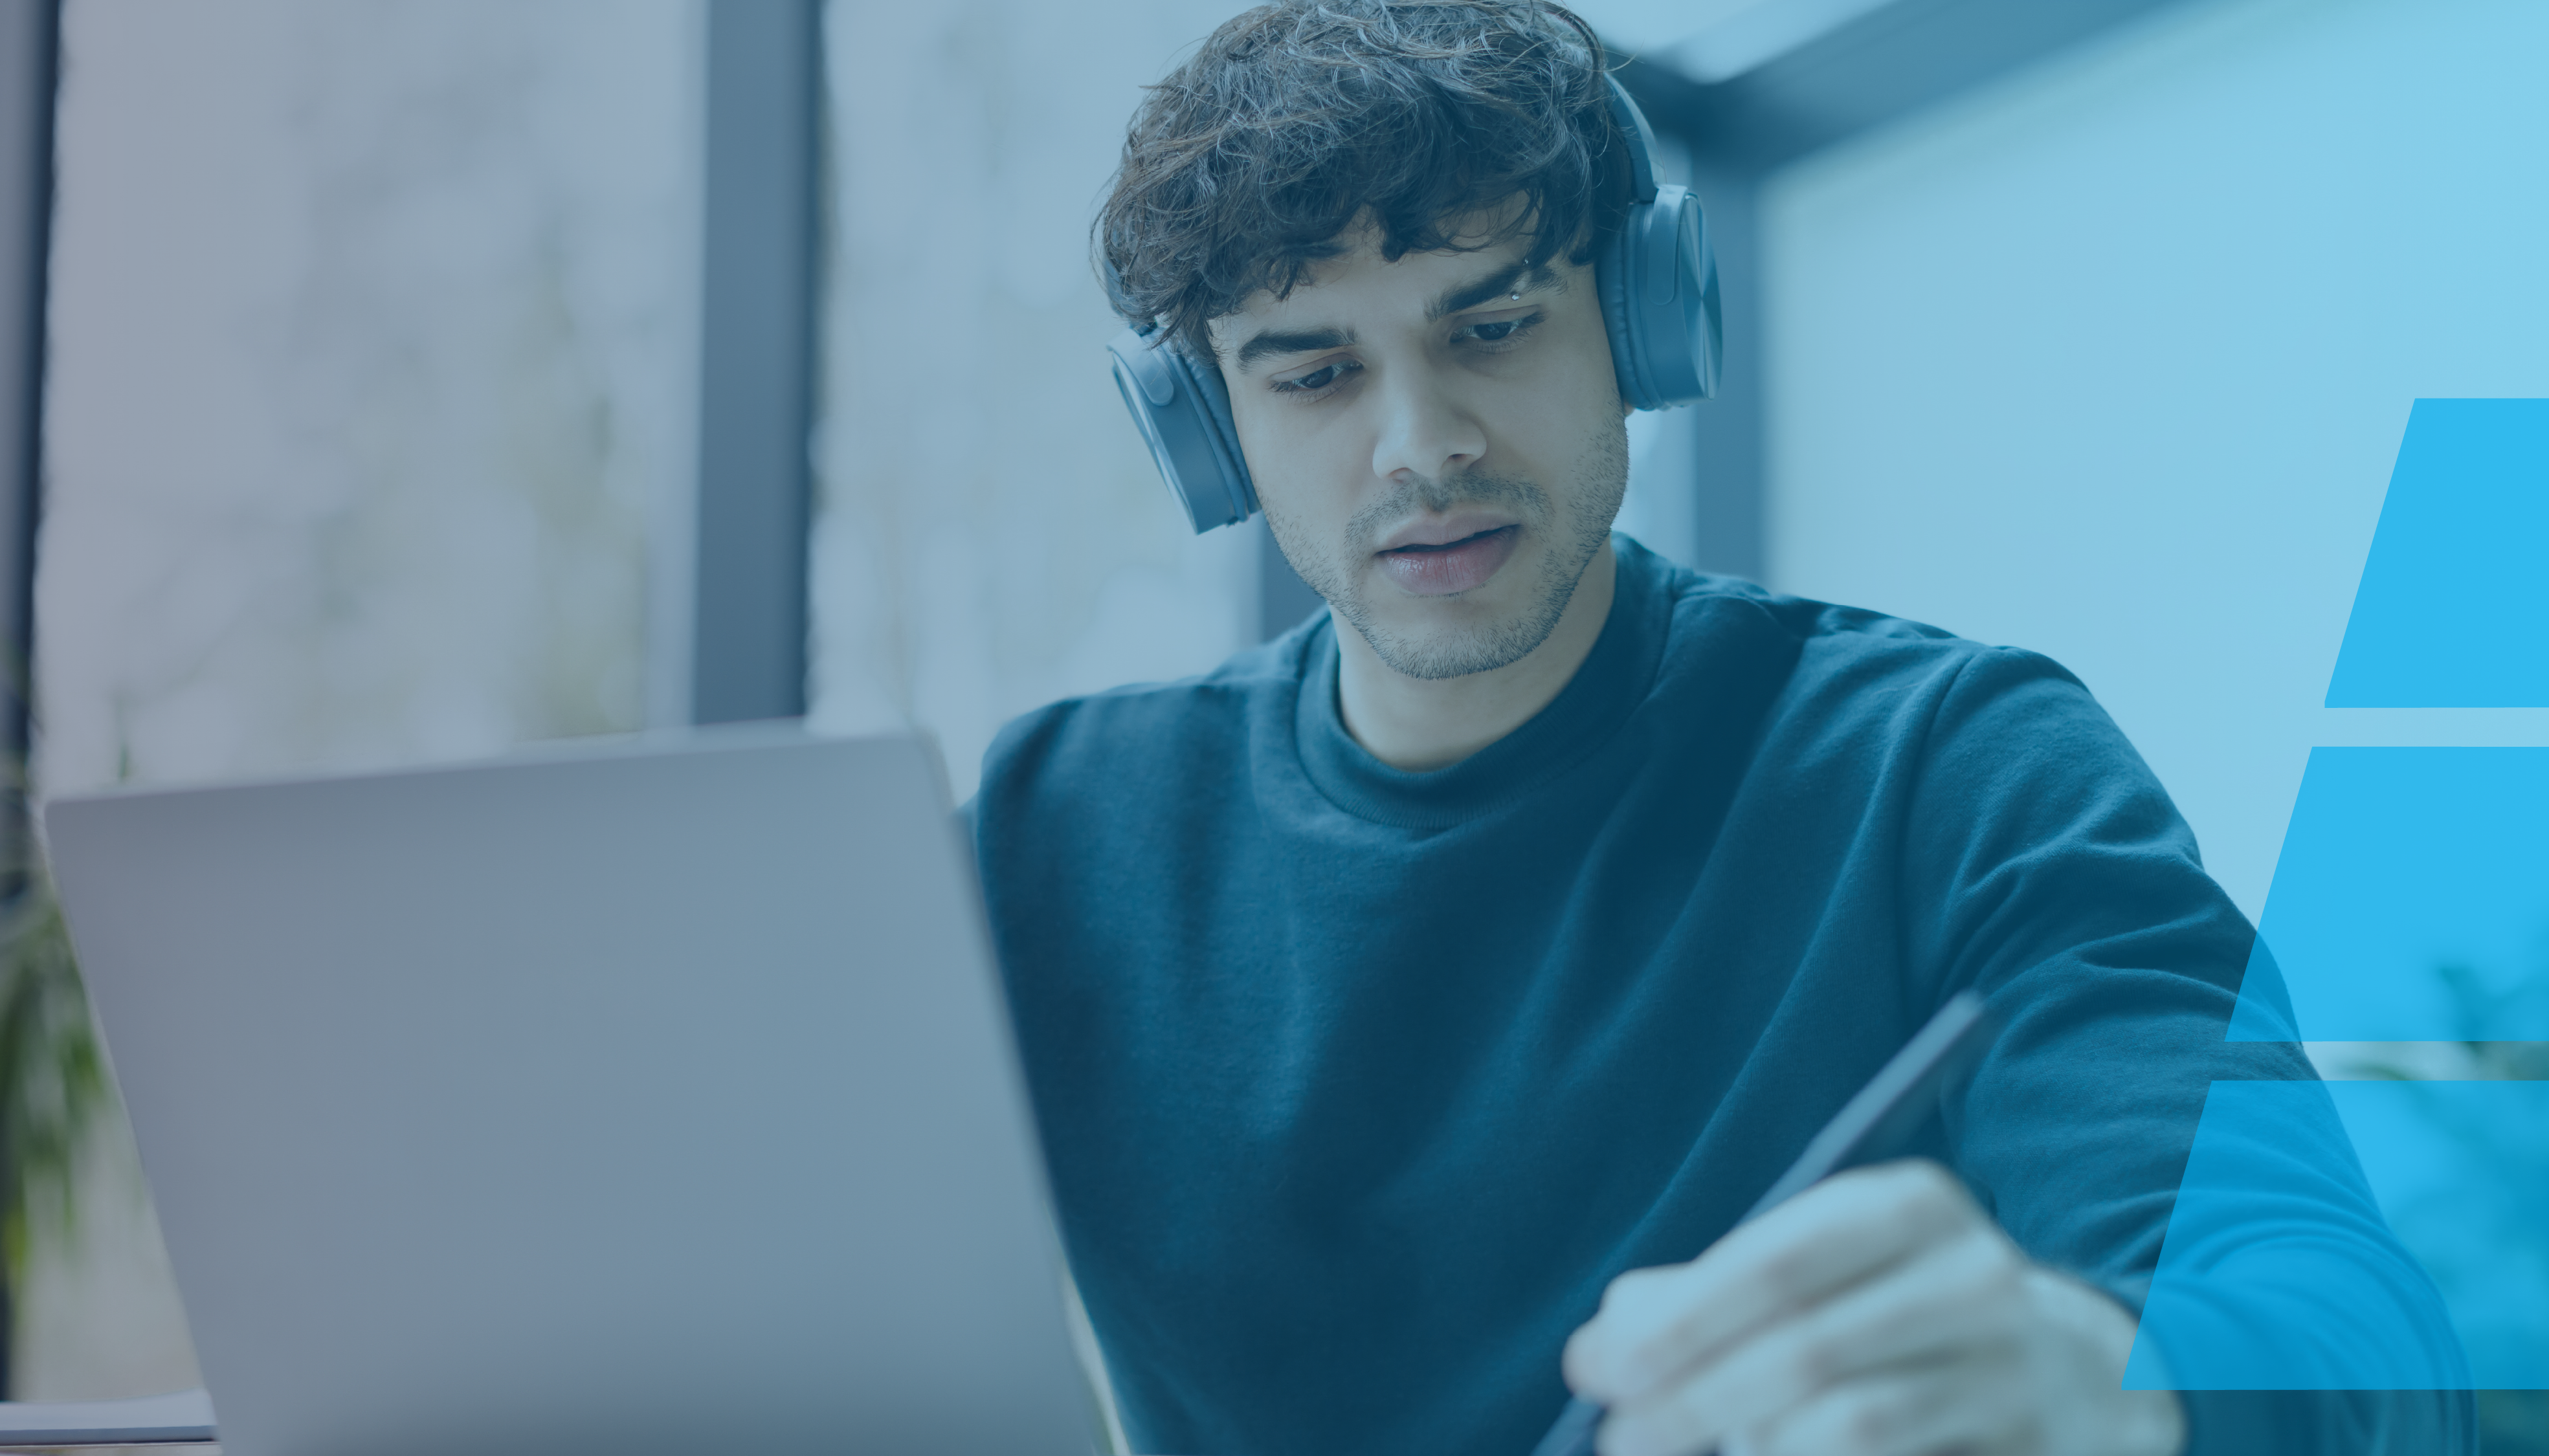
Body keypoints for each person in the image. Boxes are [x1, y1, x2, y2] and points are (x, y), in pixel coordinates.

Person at [970, 4, 2472, 1453]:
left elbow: (2348, 1328)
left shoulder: (1950, 768)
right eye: (1313, 374)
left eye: (1490, 328)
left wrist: (2105, 1383)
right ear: (1205, 428)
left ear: (1644, 325)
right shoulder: (1056, 829)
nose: (1420, 444)